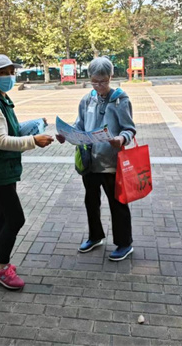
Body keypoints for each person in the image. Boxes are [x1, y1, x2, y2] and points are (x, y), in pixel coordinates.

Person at [0, 54, 54, 289]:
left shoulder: (2, 99)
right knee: (16, 218)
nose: (9, 76)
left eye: (11, 72)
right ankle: (1, 269)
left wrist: (35, 124)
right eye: (4, 73)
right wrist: (33, 141)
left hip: (2, 168)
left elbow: (12, 129)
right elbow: (0, 140)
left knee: (2, 215)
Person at [56, 57, 136, 261]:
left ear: (110, 77)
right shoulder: (87, 99)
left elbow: (129, 128)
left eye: (103, 81)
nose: (99, 86)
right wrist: (67, 134)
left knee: (117, 203)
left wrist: (121, 138)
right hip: (90, 161)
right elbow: (80, 125)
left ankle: (124, 243)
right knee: (91, 201)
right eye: (95, 81)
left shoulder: (120, 99)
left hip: (111, 163)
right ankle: (95, 236)